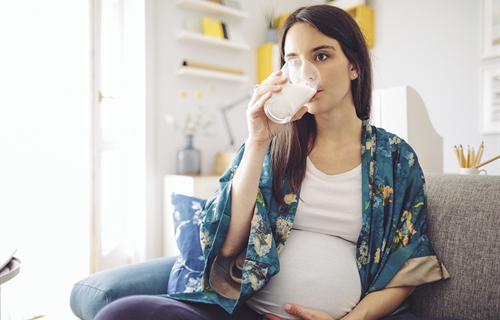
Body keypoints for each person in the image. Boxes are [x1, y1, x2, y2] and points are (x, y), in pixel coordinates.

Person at [95, 5, 450, 320]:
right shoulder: (275, 143)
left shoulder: (394, 157)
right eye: (294, 61)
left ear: (355, 66)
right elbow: (229, 245)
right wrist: (258, 140)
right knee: (121, 312)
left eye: (322, 56)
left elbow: (406, 268)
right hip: (247, 309)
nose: (306, 72)